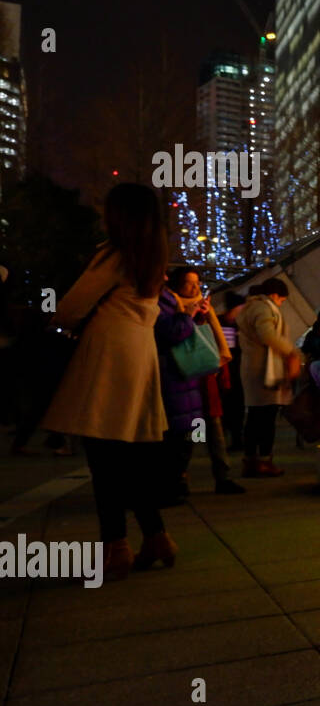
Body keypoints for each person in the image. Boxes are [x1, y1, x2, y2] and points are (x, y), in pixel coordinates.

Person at [39, 183, 176, 580]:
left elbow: (70, 307)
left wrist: (53, 321)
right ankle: (156, 536)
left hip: (108, 358)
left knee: (104, 459)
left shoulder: (114, 256)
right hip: (139, 356)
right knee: (132, 458)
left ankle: (116, 546)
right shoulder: (152, 257)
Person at [155, 266, 243, 501]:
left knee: (213, 427)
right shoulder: (168, 305)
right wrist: (191, 314)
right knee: (188, 432)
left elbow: (213, 338)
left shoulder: (201, 306)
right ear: (176, 285)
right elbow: (176, 335)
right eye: (188, 283)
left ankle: (221, 476)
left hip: (205, 375)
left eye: (197, 283)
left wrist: (202, 314)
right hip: (183, 376)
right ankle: (180, 479)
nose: (195, 288)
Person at [237, 277, 301, 477]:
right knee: (265, 418)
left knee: (255, 417)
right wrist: (291, 351)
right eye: (281, 300)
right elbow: (268, 335)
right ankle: (264, 461)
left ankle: (251, 460)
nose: (280, 304)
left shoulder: (250, 307)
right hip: (263, 371)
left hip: (253, 368)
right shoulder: (263, 309)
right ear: (274, 295)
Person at [218, 292, 247, 450]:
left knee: (236, 406)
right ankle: (221, 439)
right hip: (224, 373)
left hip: (237, 373)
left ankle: (235, 439)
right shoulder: (221, 323)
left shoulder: (238, 324)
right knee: (226, 407)